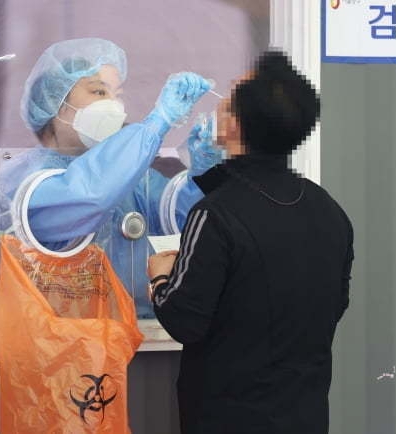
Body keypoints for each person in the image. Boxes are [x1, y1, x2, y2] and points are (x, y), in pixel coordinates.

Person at [147, 51, 354, 433]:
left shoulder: (214, 215)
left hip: (227, 419)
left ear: (232, 127)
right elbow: (332, 306)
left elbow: (183, 320)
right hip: (305, 418)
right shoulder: (329, 210)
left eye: (226, 102)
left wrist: (160, 277)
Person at [0, 38, 222, 318]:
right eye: (98, 91)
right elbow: (90, 194)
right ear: (56, 103)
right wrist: (159, 120)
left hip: (135, 340)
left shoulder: (129, 175)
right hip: (65, 349)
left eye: (116, 94)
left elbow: (178, 215)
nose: (113, 106)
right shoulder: (24, 182)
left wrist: (203, 173)